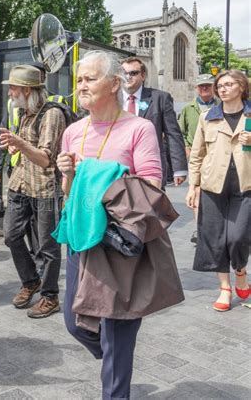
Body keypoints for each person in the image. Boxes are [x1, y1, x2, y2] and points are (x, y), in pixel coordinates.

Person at [57, 51, 164, 399]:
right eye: (79, 80)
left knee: (117, 333)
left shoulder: (139, 128)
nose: (81, 86)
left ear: (114, 83)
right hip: (82, 240)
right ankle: (116, 360)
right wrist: (70, 175)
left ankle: (116, 381)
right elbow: (69, 193)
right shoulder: (73, 131)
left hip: (119, 244)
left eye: (89, 79)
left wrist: (98, 173)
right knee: (75, 323)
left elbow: (151, 187)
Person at [0, 64, 66, 318]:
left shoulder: (52, 115)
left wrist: (20, 143)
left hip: (44, 188)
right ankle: (30, 281)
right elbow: (27, 147)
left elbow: (46, 159)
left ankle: (50, 296)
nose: (9, 94)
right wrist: (14, 146)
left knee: (47, 246)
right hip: (20, 184)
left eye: (13, 88)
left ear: (27, 90)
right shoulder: (25, 112)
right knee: (11, 235)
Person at [186, 70, 250, 312]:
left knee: (238, 237)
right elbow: (197, 154)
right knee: (214, 239)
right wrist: (193, 186)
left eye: (229, 84)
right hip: (213, 186)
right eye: (219, 85)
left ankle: (241, 271)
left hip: (245, 186)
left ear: (242, 87)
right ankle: (225, 287)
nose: (222, 89)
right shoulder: (207, 117)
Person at [121, 57, 187, 188]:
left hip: (151, 169)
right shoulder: (111, 99)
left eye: (133, 73)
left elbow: (173, 134)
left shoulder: (159, 98)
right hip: (119, 168)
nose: (128, 77)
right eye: (124, 73)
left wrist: (179, 168)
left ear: (143, 75)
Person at [179, 73, 219, 243]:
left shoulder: (222, 106)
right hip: (196, 156)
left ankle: (217, 228)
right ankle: (199, 229)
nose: (204, 89)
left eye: (208, 86)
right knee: (196, 191)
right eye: (201, 86)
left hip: (217, 156)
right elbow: (180, 132)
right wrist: (186, 148)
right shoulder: (188, 109)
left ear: (213, 88)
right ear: (196, 88)